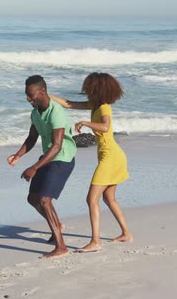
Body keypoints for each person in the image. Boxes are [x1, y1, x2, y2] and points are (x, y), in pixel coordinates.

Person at [50, 72, 133, 253]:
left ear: (96, 89)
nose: (85, 90)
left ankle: (95, 241)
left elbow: (105, 127)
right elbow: (68, 104)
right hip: (112, 155)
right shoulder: (95, 105)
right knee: (109, 198)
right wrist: (46, 94)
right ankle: (126, 233)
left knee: (91, 199)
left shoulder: (104, 108)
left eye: (88, 87)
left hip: (110, 157)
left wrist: (85, 123)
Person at [8, 75, 77, 259]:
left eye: (31, 95)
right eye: (27, 95)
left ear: (43, 92)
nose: (28, 99)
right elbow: (32, 138)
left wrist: (34, 167)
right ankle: (58, 225)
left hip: (62, 158)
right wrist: (18, 155)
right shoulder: (36, 112)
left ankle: (61, 246)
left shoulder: (57, 112)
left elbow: (57, 146)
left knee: (45, 200)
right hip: (48, 157)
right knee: (33, 198)